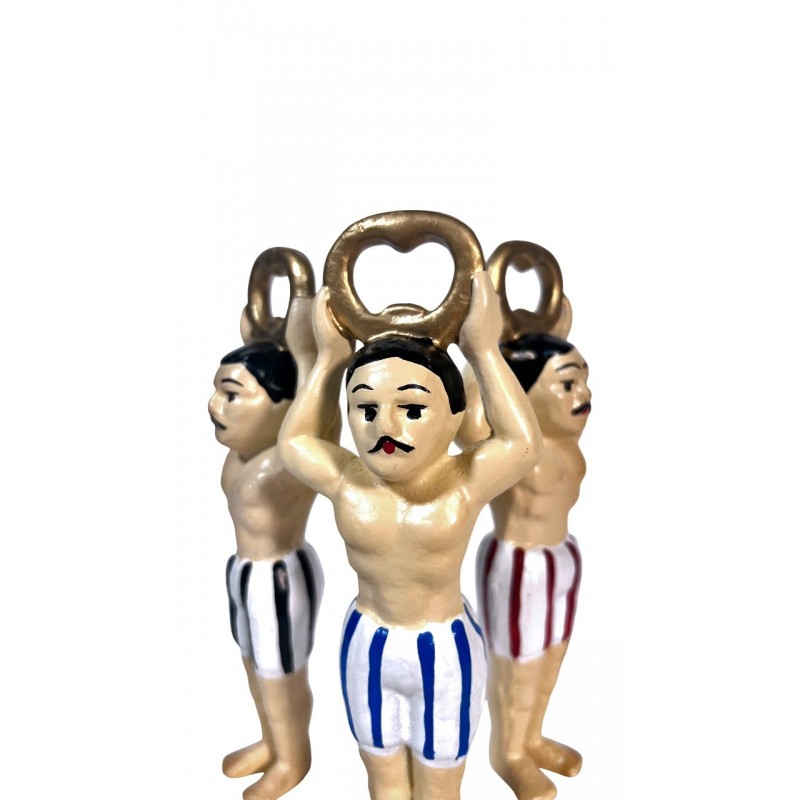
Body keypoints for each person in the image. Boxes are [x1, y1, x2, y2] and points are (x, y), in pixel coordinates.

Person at [279, 272, 539, 800]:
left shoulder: (463, 482)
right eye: (366, 409)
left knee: (440, 782)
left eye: (414, 409)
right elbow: (296, 442)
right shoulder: (348, 481)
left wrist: (483, 350)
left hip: (444, 649)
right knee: (383, 778)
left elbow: (522, 444)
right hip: (368, 642)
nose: (386, 427)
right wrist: (329, 360)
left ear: (454, 418)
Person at [209, 300, 337, 800]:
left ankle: (292, 758)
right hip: (243, 572)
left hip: (279, 579)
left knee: (281, 673)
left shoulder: (288, 461)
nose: (214, 405)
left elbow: (321, 423)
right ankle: (272, 741)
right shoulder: (243, 455)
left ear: (285, 407)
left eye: (231, 394)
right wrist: (271, 333)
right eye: (217, 390)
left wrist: (315, 356)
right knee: (252, 662)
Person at [458, 330, 591, 800]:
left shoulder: (565, 442)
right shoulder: (514, 451)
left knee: (552, 653)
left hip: (562, 557)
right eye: (567, 384)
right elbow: (468, 426)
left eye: (584, 381)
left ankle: (532, 737)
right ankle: (509, 751)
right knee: (517, 665)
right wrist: (482, 349)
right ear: (523, 396)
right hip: (520, 568)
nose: (583, 394)